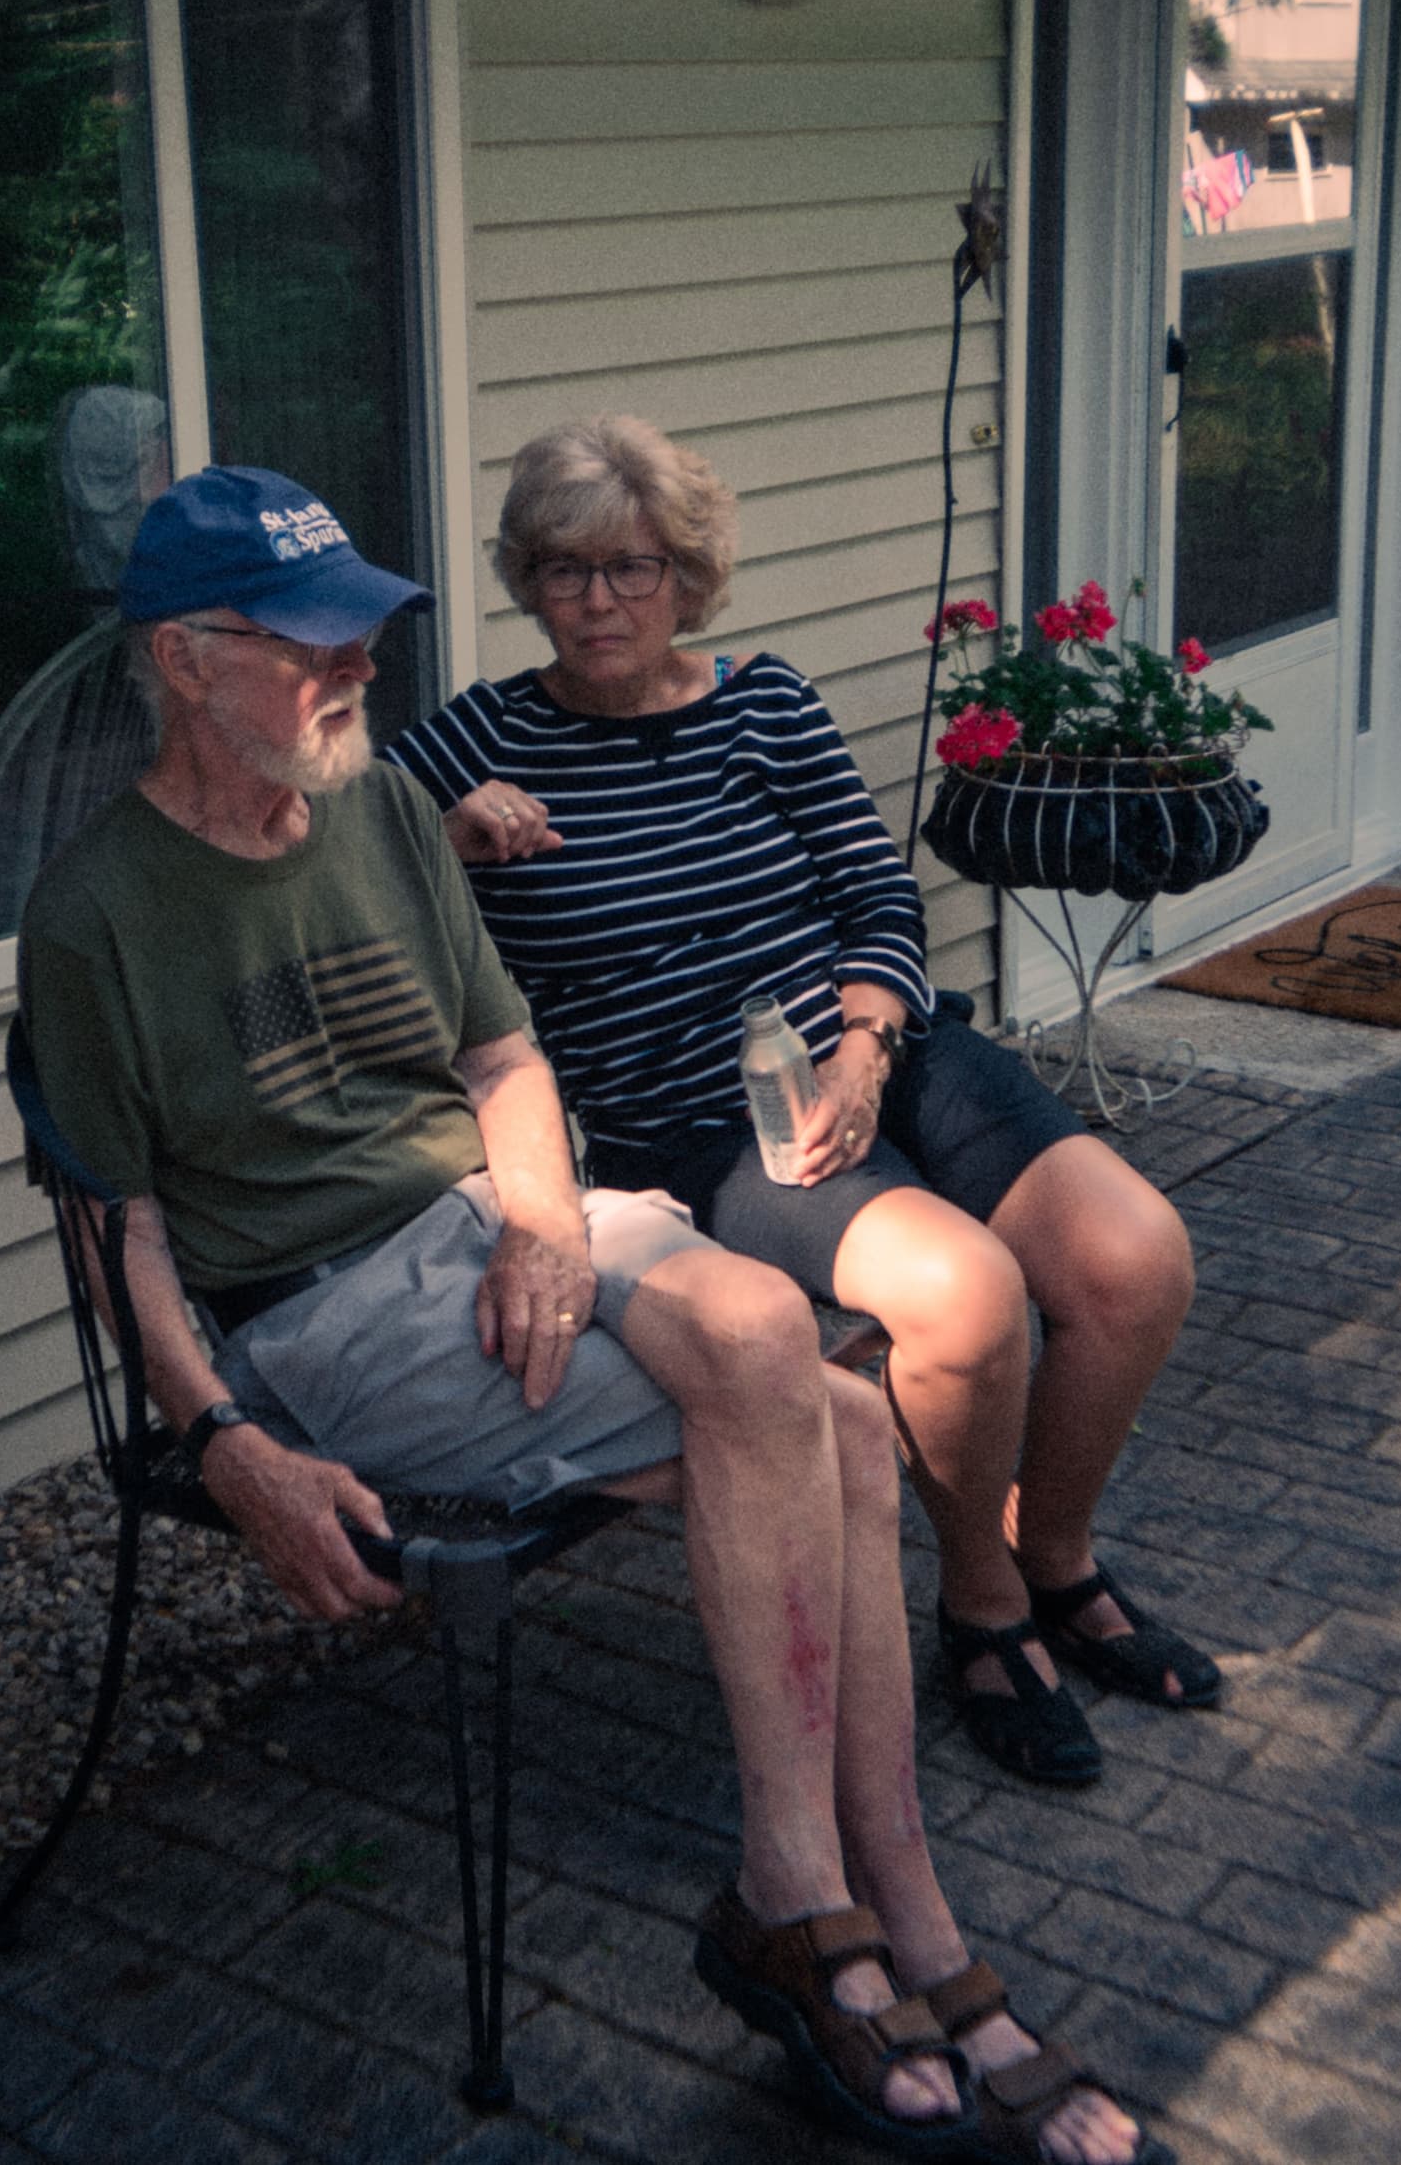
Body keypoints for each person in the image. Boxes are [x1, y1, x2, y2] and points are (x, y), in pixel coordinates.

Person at [18, 464, 1159, 2165]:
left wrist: (546, 1219)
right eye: (313, 646)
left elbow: (499, 1057)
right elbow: (119, 1233)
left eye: (366, 640)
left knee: (804, 1375)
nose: (358, 675)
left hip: (494, 1218)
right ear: (186, 659)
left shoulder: (383, 815)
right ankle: (884, 1918)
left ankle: (812, 1898)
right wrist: (231, 1448)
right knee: (831, 1408)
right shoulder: (99, 910)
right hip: (315, 1304)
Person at [385, 418, 1212, 1792]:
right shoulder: (468, 745)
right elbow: (333, 861)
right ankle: (982, 1605)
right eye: (568, 570)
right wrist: (443, 838)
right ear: (527, 580)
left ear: (687, 576)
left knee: (1135, 1258)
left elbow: (876, 894)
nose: (601, 602)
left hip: (878, 1045)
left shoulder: (765, 701)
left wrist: (868, 1047)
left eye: (634, 568)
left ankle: (1054, 1559)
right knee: (968, 1299)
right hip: (699, 1123)